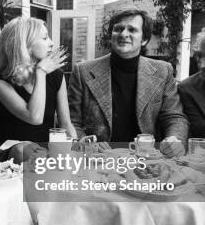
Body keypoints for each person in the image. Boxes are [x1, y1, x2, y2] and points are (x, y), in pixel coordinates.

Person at [67, 9, 188, 157]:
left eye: (132, 29)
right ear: (111, 35)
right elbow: (72, 122)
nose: (123, 34)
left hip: (147, 159)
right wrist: (86, 142)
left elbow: (174, 116)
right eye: (118, 29)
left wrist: (174, 139)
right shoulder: (83, 72)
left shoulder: (163, 71)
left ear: (144, 39)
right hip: (99, 160)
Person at [0, 17, 76, 146]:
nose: (51, 43)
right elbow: (34, 117)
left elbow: (65, 124)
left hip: (47, 153)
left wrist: (77, 145)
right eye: (45, 38)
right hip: (14, 153)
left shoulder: (56, 75)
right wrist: (40, 73)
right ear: (25, 45)